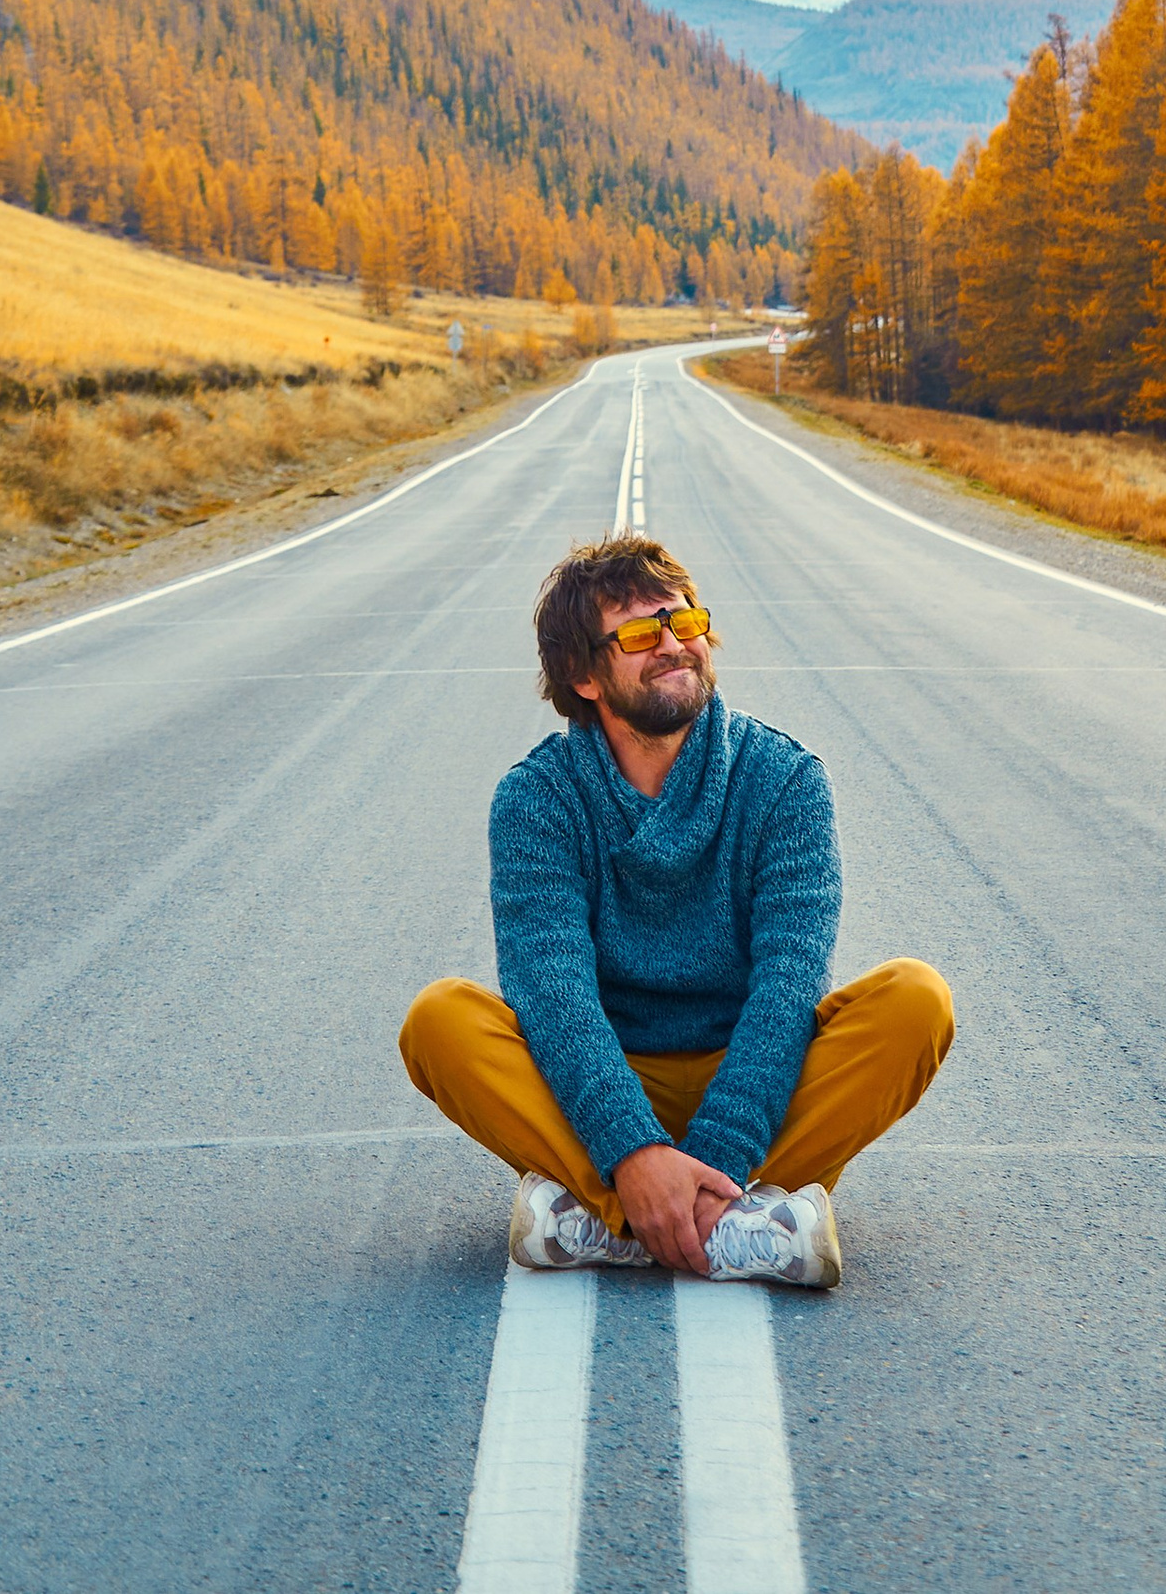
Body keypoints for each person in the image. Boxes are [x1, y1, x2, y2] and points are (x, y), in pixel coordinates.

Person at [399, 534, 954, 1288]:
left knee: (915, 999)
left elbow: (788, 985)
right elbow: (553, 995)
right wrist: (634, 1151)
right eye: (637, 635)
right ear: (583, 675)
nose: (671, 645)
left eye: (683, 622)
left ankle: (614, 1222)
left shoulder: (785, 779)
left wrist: (715, 1153)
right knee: (441, 1021)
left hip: (754, 1071)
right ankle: (736, 1227)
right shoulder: (537, 798)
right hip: (603, 1076)